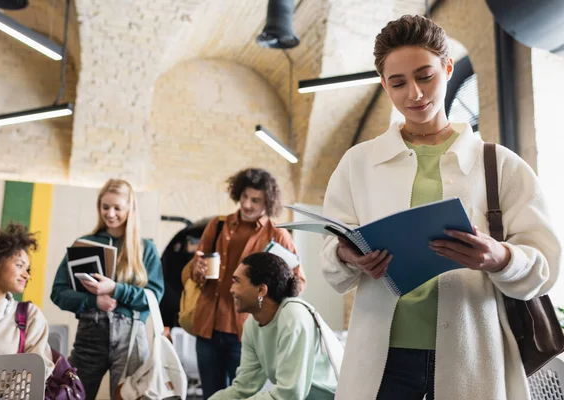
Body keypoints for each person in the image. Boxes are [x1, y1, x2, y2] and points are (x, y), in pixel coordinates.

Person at [320, 15, 561, 400]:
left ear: (448, 68)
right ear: (384, 86)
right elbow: (331, 257)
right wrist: (347, 254)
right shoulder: (358, 163)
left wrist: (499, 257)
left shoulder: (501, 165)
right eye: (398, 83)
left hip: (472, 354)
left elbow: (544, 269)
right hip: (382, 363)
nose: (414, 93)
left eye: (425, 75)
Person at [189, 167, 307, 398]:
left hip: (245, 332)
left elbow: (298, 282)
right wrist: (198, 269)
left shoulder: (277, 236)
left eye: (256, 200)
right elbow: (195, 270)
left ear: (267, 202)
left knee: (243, 395)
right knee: (210, 395)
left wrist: (270, 294)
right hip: (208, 327)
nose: (247, 205)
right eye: (244, 197)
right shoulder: (218, 225)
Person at [51, 179, 164, 400]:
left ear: (130, 208)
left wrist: (115, 289)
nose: (110, 214)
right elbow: (58, 292)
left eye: (117, 208)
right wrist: (94, 301)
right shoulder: (84, 243)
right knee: (73, 395)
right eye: (105, 207)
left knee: (129, 397)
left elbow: (153, 298)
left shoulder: (146, 248)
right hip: (90, 334)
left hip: (131, 337)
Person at [210, 252, 341, 400]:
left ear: (261, 290)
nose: (231, 289)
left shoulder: (293, 317)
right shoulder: (252, 324)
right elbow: (244, 387)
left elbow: (289, 395)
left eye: (237, 281)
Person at [0, 223, 54, 379]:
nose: (27, 276)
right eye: (20, 266)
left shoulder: (30, 316)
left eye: (28, 270)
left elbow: (36, 377)